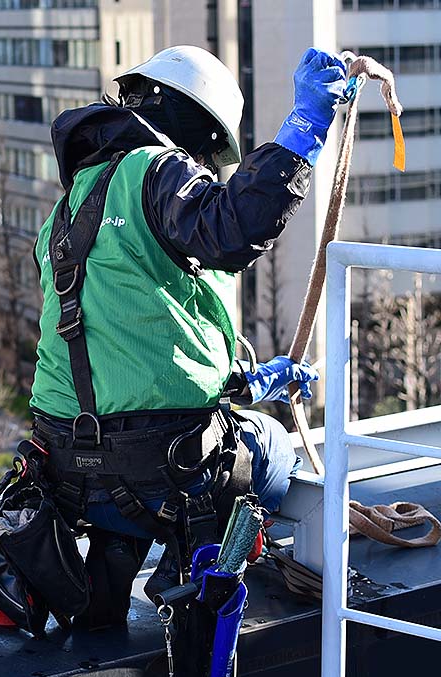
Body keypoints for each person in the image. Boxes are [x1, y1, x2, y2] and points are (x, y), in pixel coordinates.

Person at [18, 46, 346, 631]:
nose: (206, 166)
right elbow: (231, 229)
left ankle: (111, 573)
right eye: (209, 150)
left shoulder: (70, 206)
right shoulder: (155, 168)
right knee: (271, 446)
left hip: (65, 466)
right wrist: (304, 130)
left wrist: (248, 378)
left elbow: (128, 346)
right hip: (156, 464)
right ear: (192, 121)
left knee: (140, 474)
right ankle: (191, 573)